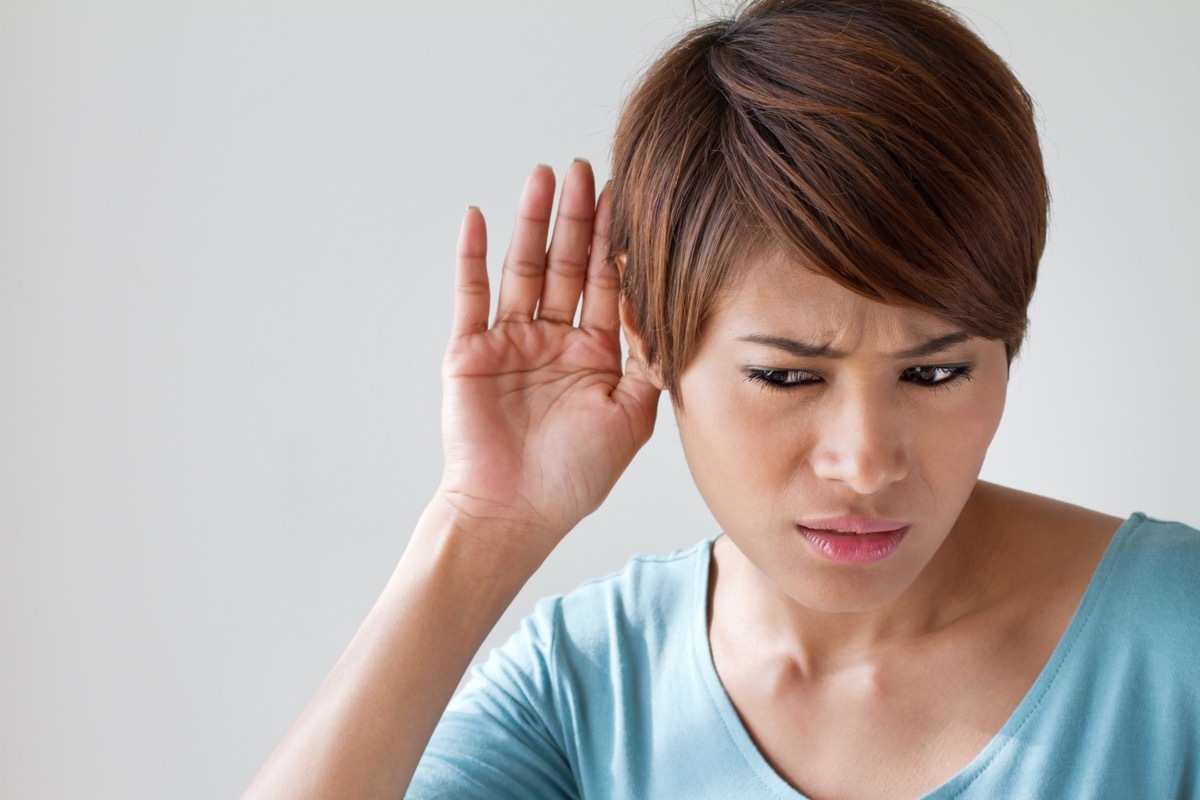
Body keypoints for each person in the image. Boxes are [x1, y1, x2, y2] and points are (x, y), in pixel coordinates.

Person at [244, 0, 1200, 797]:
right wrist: (479, 529)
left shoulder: (1174, 637)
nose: (865, 461)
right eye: (789, 377)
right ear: (649, 339)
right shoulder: (587, 691)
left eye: (936, 372)